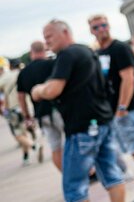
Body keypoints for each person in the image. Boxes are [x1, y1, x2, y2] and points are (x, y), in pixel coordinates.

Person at [32, 19, 125, 202]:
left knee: (74, 187)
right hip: (102, 121)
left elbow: (54, 89)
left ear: (64, 32)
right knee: (112, 175)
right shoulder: (86, 50)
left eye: (49, 36)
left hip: (82, 127)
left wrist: (38, 91)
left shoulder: (66, 55)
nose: (46, 42)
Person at [89, 15, 134, 202]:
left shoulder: (119, 48)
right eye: (96, 27)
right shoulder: (99, 52)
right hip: (115, 110)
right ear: (91, 30)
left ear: (109, 26)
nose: (101, 29)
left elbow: (128, 78)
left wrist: (122, 107)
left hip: (129, 108)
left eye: (103, 25)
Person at [17, 41, 61, 170]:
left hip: (41, 114)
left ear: (31, 53)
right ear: (45, 50)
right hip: (59, 109)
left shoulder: (23, 73)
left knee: (55, 147)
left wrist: (27, 116)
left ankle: (67, 176)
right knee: (71, 141)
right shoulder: (52, 64)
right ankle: (83, 173)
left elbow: (21, 97)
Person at [0, 58, 39, 165]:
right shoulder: (22, 73)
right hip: (27, 106)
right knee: (24, 133)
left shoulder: (4, 78)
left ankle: (34, 146)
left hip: (14, 109)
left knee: (18, 135)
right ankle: (25, 157)